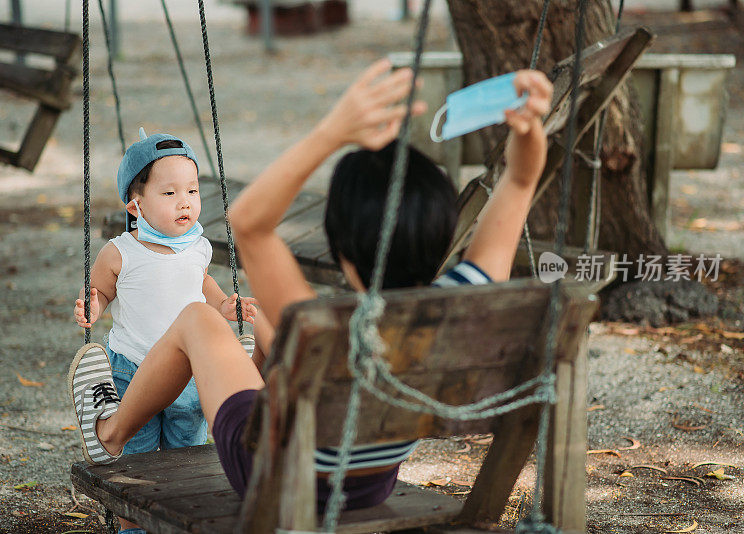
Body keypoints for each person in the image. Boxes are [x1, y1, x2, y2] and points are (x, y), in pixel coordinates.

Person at [68, 59, 553, 519]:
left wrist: (333, 132)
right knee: (265, 335)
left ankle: (111, 430)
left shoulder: (322, 325)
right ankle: (233, 371)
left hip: (272, 474)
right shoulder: (459, 304)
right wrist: (530, 132)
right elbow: (521, 180)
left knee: (198, 319)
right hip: (369, 481)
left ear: (341, 249)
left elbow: (250, 223)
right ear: (446, 230)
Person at [71, 130, 260, 534]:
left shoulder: (198, 246)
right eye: (170, 193)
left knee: (186, 455)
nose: (186, 201)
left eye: (192, 190)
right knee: (134, 464)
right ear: (135, 206)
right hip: (131, 373)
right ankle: (132, 526)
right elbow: (102, 290)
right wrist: (92, 305)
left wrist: (223, 305)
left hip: (187, 378)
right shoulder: (121, 251)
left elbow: (201, 284)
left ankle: (182, 518)